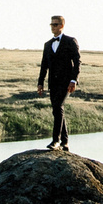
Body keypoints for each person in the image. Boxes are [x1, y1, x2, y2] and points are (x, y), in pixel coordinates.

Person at [37, 14, 80, 150]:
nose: (52, 27)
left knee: (57, 107)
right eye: (51, 24)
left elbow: (77, 62)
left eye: (55, 24)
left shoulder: (70, 41)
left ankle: (55, 140)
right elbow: (44, 65)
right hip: (53, 83)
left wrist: (73, 80)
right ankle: (65, 142)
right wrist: (40, 83)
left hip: (66, 82)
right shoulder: (48, 44)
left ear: (62, 26)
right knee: (57, 110)